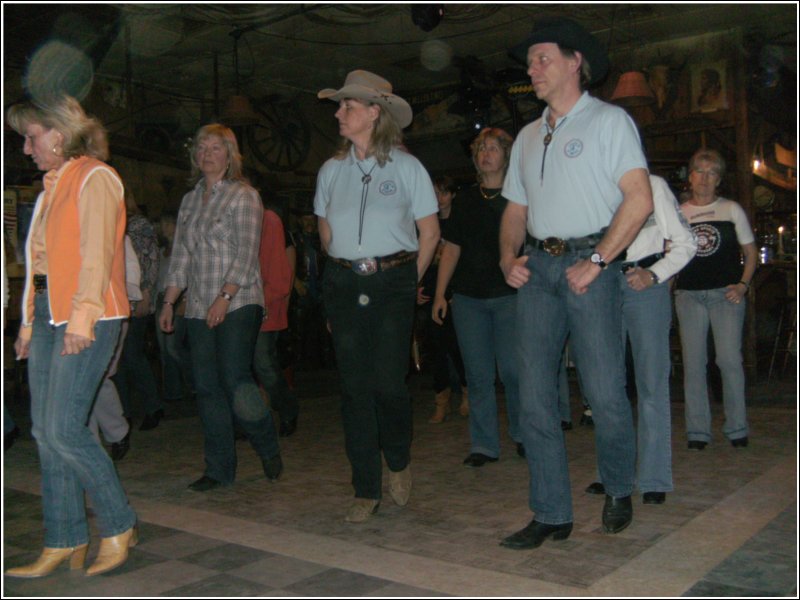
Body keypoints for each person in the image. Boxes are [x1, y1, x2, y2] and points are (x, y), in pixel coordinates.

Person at [498, 17, 653, 549]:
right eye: (530, 61)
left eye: (542, 58)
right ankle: (551, 512)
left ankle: (616, 487)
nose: (532, 68)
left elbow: (639, 199)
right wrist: (506, 258)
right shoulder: (525, 135)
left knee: (604, 391)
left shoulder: (608, 122)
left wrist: (601, 260)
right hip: (538, 270)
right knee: (534, 398)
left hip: (591, 264)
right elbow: (515, 209)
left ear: (574, 62)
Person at [6, 95, 137, 577]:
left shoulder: (95, 177)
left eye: (31, 136)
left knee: (63, 429)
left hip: (92, 317)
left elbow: (98, 255)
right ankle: (63, 537)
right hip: (49, 319)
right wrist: (27, 322)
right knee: (44, 433)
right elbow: (40, 267)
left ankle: (120, 523)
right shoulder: (49, 191)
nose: (25, 148)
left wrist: (81, 321)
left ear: (58, 135)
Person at [315, 70, 439, 523]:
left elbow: (430, 233)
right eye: (340, 105)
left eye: (347, 105)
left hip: (393, 283)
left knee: (389, 383)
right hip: (345, 283)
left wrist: (406, 282)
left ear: (374, 113)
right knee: (354, 389)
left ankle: (399, 460)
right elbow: (324, 230)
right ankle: (365, 488)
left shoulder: (408, 168)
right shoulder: (331, 171)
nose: (338, 113)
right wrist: (340, 274)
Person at [160, 123, 282, 492]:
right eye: (201, 148)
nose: (206, 153)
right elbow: (180, 255)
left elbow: (246, 254)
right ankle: (218, 469)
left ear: (230, 155)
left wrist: (224, 297)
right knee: (207, 386)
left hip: (240, 299)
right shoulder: (190, 200)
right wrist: (169, 301)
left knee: (234, 380)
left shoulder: (244, 196)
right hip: (198, 303)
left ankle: (266, 443)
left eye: (215, 148)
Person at [583, 174, 697, 505]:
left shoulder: (653, 185)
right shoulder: (591, 184)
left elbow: (685, 242)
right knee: (606, 386)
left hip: (645, 284)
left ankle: (654, 477)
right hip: (602, 285)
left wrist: (655, 273)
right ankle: (612, 474)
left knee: (651, 382)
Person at [432, 128, 522, 465]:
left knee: (513, 371)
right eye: (482, 148)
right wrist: (441, 293)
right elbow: (451, 248)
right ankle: (483, 445)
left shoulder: (519, 196)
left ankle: (523, 433)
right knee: (479, 375)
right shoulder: (466, 199)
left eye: (494, 148)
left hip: (509, 295)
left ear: (506, 155)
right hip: (469, 299)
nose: (487, 153)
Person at [674, 148, 757, 450]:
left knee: (729, 360)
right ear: (690, 176)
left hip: (726, 295)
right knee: (694, 364)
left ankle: (737, 427)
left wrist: (743, 285)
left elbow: (750, 254)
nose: (705, 179)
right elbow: (671, 255)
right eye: (700, 171)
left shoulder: (731, 209)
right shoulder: (679, 213)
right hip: (690, 295)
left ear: (719, 179)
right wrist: (669, 289)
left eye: (712, 173)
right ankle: (698, 432)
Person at [418, 174, 467, 423]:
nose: (439, 199)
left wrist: (458, 292)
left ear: (453, 194)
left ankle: (467, 393)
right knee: (435, 348)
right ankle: (441, 399)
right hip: (428, 292)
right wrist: (415, 286)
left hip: (454, 293)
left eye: (443, 193)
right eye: (435, 193)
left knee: (457, 346)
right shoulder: (425, 225)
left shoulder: (460, 223)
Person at [112, 192, 163, 430]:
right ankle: (124, 412)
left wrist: (146, 293)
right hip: (117, 301)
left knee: (132, 354)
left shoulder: (138, 225)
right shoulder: (112, 223)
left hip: (136, 298)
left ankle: (153, 406)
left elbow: (149, 261)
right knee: (118, 358)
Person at [254, 198, 299, 438]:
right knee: (242, 366)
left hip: (265, 303)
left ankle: (287, 407)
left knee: (264, 364)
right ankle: (248, 418)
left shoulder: (269, 220)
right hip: (240, 302)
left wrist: (271, 300)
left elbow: (283, 274)